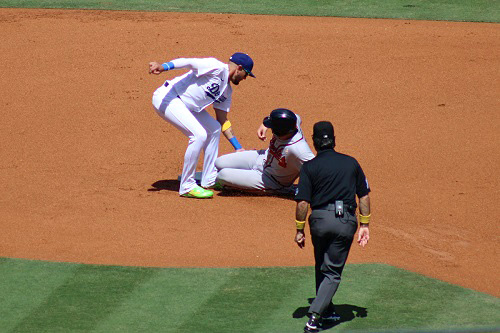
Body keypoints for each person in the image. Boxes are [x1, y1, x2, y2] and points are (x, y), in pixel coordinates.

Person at [293, 121, 371, 333]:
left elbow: (302, 203)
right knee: (333, 272)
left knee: (321, 265)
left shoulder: (309, 167)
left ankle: (327, 310)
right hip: (344, 221)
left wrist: (299, 229)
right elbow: (363, 195)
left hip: (318, 221)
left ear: (315, 143)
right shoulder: (351, 163)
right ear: (334, 140)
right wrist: (365, 224)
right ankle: (315, 316)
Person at [149, 53, 255, 199]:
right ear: (239, 68)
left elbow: (222, 120)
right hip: (169, 97)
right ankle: (187, 186)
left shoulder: (226, 91)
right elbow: (187, 62)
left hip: (187, 106)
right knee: (199, 135)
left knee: (214, 129)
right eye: (246, 74)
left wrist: (238, 147)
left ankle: (209, 178)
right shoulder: (216, 67)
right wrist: (163, 66)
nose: (245, 78)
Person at [214, 108, 315, 195]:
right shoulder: (292, 121)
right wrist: (264, 125)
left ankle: (282, 190)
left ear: (280, 130)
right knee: (219, 162)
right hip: (262, 158)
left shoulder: (299, 150)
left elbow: (317, 169)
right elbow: (295, 116)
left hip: (271, 181)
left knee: (222, 175)